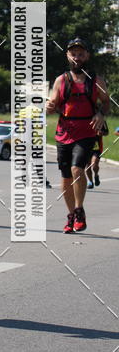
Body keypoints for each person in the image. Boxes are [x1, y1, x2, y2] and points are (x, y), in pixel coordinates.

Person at [45, 38, 109, 233]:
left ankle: (80, 210)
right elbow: (52, 104)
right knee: (65, 177)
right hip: (64, 132)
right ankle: (71, 214)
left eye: (81, 54)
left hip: (87, 130)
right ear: (68, 55)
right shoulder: (61, 80)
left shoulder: (96, 80)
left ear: (87, 56)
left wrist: (100, 114)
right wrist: (48, 107)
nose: (77, 57)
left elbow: (106, 102)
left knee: (76, 169)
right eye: (73, 53)